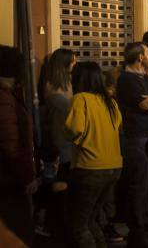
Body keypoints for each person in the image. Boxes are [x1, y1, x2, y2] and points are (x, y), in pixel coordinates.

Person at [65, 61, 123, 248]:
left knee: (79, 226)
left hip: (89, 167)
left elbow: (74, 129)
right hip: (113, 167)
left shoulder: (80, 99)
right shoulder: (111, 102)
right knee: (91, 220)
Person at [116, 42, 148, 248]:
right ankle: (138, 228)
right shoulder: (126, 80)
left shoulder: (146, 78)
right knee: (139, 184)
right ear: (140, 57)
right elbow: (144, 104)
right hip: (136, 138)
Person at [0, 45, 36, 246]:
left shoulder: (9, 94)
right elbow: (9, 143)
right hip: (9, 181)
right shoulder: (4, 98)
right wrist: (26, 176)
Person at [38, 48, 75, 239]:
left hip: (67, 138)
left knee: (64, 180)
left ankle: (55, 222)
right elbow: (62, 107)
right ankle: (52, 223)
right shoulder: (52, 86)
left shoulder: (67, 82)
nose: (75, 63)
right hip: (59, 138)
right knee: (59, 180)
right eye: (72, 60)